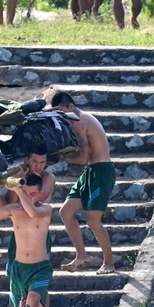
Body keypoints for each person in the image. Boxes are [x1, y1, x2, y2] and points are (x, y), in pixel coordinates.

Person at [50, 91, 116, 274]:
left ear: (71, 107)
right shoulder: (75, 121)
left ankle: (109, 262)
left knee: (93, 220)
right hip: (90, 171)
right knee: (65, 211)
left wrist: (56, 158)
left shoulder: (81, 122)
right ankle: (82, 256)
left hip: (101, 172)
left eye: (62, 113)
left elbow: (81, 158)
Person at [0, 173, 53, 307]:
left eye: (32, 194)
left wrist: (18, 191)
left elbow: (33, 213)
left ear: (41, 193)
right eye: (25, 193)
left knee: (32, 301)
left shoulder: (46, 209)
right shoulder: (14, 209)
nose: (28, 197)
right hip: (19, 267)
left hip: (40, 267)